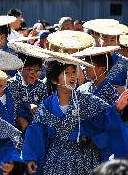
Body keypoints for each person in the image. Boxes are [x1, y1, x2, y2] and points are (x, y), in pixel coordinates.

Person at [22, 47, 128, 175]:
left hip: (85, 156)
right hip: (56, 157)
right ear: (55, 80)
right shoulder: (48, 105)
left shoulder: (86, 98)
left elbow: (104, 117)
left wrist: (116, 108)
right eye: (66, 73)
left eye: (74, 71)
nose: (72, 76)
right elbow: (35, 131)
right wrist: (30, 157)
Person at [7, 42, 49, 133]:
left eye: (38, 72)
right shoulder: (11, 85)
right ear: (20, 68)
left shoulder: (41, 86)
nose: (36, 76)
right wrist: (27, 106)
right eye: (32, 72)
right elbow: (12, 108)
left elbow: (45, 109)